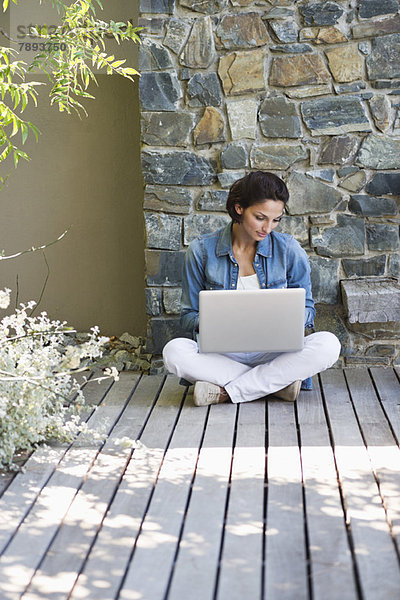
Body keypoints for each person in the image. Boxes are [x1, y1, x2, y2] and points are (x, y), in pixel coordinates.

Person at [162, 171, 341, 407]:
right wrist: (217, 321)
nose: (268, 227)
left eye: (275, 220)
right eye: (260, 217)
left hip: (276, 353)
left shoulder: (288, 249)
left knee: (328, 344)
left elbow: (307, 307)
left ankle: (227, 391)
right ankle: (277, 385)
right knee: (174, 352)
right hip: (222, 355)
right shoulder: (202, 251)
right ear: (239, 208)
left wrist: (291, 319)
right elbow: (188, 316)